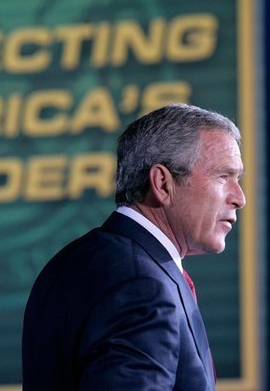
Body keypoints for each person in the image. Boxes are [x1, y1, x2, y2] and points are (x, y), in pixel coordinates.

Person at [22, 103, 245, 390]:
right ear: (163, 184)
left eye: (238, 180)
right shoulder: (142, 285)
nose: (239, 197)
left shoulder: (71, 262)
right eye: (223, 177)